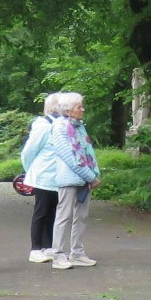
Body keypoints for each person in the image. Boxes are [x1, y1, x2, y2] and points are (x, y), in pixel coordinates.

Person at [47, 91, 101, 270]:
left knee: (81, 216)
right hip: (69, 179)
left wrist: (94, 173)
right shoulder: (60, 127)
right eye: (79, 107)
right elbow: (71, 157)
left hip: (85, 178)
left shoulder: (79, 126)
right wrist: (91, 176)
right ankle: (58, 254)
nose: (83, 109)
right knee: (64, 216)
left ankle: (77, 252)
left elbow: (87, 151)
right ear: (68, 110)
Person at [21, 93, 67, 263]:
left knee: (53, 212)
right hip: (44, 175)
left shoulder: (62, 124)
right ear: (55, 106)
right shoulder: (43, 125)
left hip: (58, 177)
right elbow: (29, 151)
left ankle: (48, 247)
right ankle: (35, 248)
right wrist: (31, 170)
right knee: (41, 212)